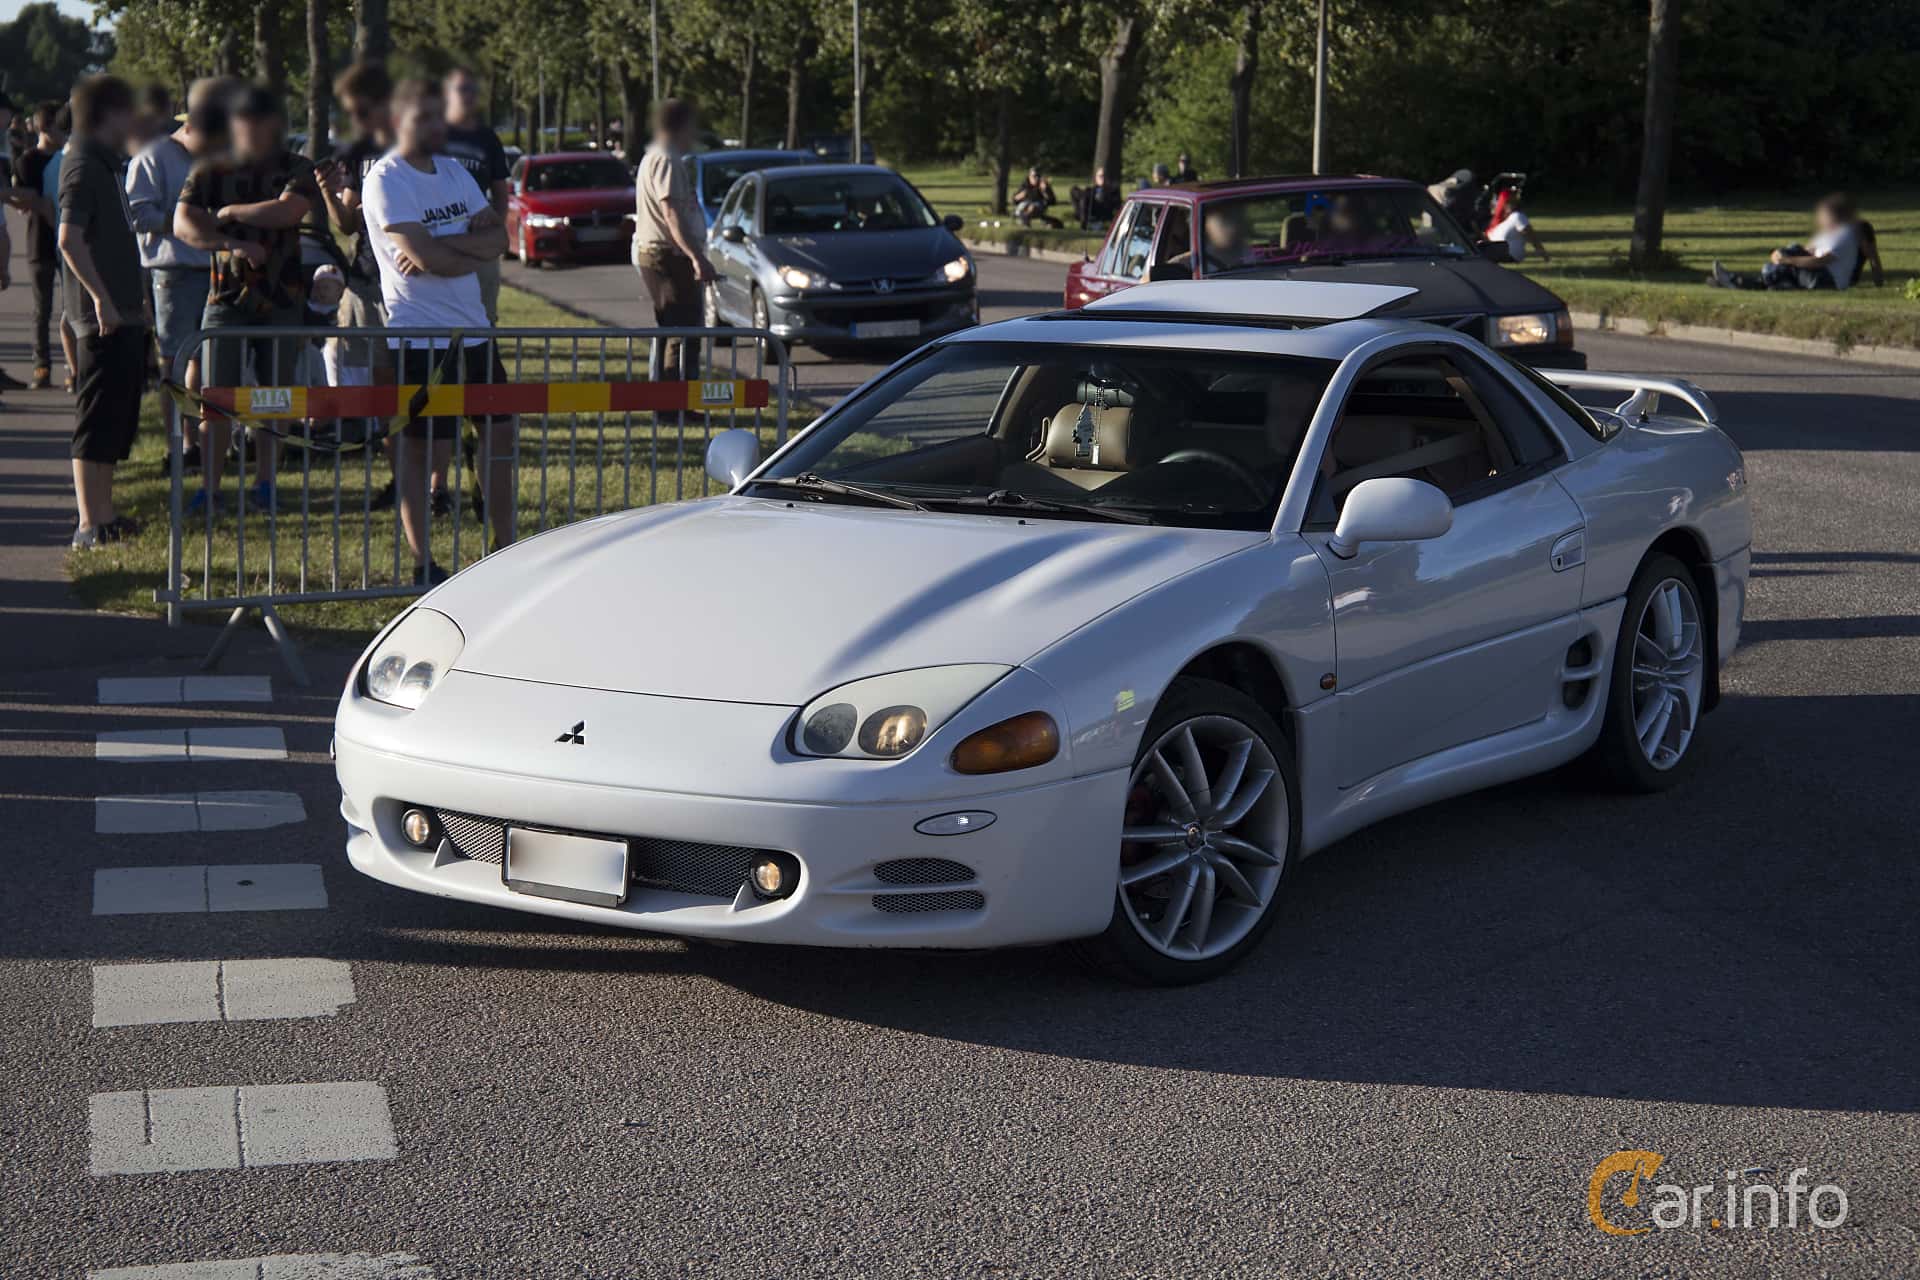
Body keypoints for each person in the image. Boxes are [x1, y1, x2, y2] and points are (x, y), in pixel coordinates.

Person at [361, 77, 513, 585]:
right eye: (423, 117)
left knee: (500, 436)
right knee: (421, 449)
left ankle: (504, 547)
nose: (435, 126)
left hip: (473, 332)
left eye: (436, 116)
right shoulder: (386, 180)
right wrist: (454, 246)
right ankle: (423, 560)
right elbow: (425, 257)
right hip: (419, 337)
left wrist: (447, 248)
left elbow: (498, 239)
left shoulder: (453, 171)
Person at [174, 85, 320, 514]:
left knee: (276, 398)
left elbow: (288, 212)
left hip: (282, 298)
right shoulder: (211, 169)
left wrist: (230, 212)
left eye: (259, 121)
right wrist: (228, 242)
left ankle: (266, 485)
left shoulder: (296, 166)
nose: (251, 129)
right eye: (243, 121)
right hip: (226, 300)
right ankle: (211, 489)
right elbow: (183, 223)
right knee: (216, 397)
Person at [58, 75, 147, 549]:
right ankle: (90, 524)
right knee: (95, 419)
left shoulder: (105, 164)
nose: (134, 120)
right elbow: (69, 238)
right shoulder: (82, 165)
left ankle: (105, 515)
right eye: (128, 110)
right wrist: (101, 299)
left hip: (122, 313)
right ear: (107, 114)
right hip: (102, 319)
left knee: (115, 419)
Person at [126, 81, 227, 395]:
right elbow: (137, 215)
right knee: (176, 359)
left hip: (215, 271)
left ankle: (201, 435)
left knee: (210, 360)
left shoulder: (212, 159)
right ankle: (178, 438)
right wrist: (185, 223)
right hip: (175, 275)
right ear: (190, 127)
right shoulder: (152, 157)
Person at [631, 97, 712, 384]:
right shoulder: (666, 159)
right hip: (667, 254)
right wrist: (696, 257)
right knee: (683, 332)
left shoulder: (654, 155)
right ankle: (676, 404)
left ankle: (672, 402)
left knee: (674, 329)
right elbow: (671, 213)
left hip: (659, 253)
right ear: (682, 126)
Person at [440, 66, 511, 325]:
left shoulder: (487, 138)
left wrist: (494, 227)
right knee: (444, 318)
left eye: (473, 90)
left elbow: (501, 194)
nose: (469, 96)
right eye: (462, 89)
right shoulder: (432, 135)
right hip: (440, 239)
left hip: (478, 244)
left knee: (483, 317)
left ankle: (481, 364)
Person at [10, 101, 68, 389]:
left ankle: (75, 366)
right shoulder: (28, 161)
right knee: (42, 308)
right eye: (61, 127)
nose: (65, 133)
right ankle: (41, 366)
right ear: (46, 128)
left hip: (70, 243)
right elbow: (25, 201)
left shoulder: (69, 158)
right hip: (40, 243)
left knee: (72, 307)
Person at [1710, 194, 1878, 292]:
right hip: (1815, 275)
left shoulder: (1845, 235)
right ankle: (1773, 282)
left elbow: (1821, 261)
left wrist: (1786, 260)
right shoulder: (1828, 234)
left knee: (1788, 257)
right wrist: (1778, 254)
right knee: (1792, 249)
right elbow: (1804, 251)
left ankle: (1736, 280)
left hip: (1826, 279)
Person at [1484, 190, 1550, 264]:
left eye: (1513, 202)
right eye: (1508, 202)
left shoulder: (1517, 216)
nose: (1512, 204)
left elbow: (1531, 236)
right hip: (1497, 253)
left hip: (1510, 255)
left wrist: (1543, 254)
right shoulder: (1497, 222)